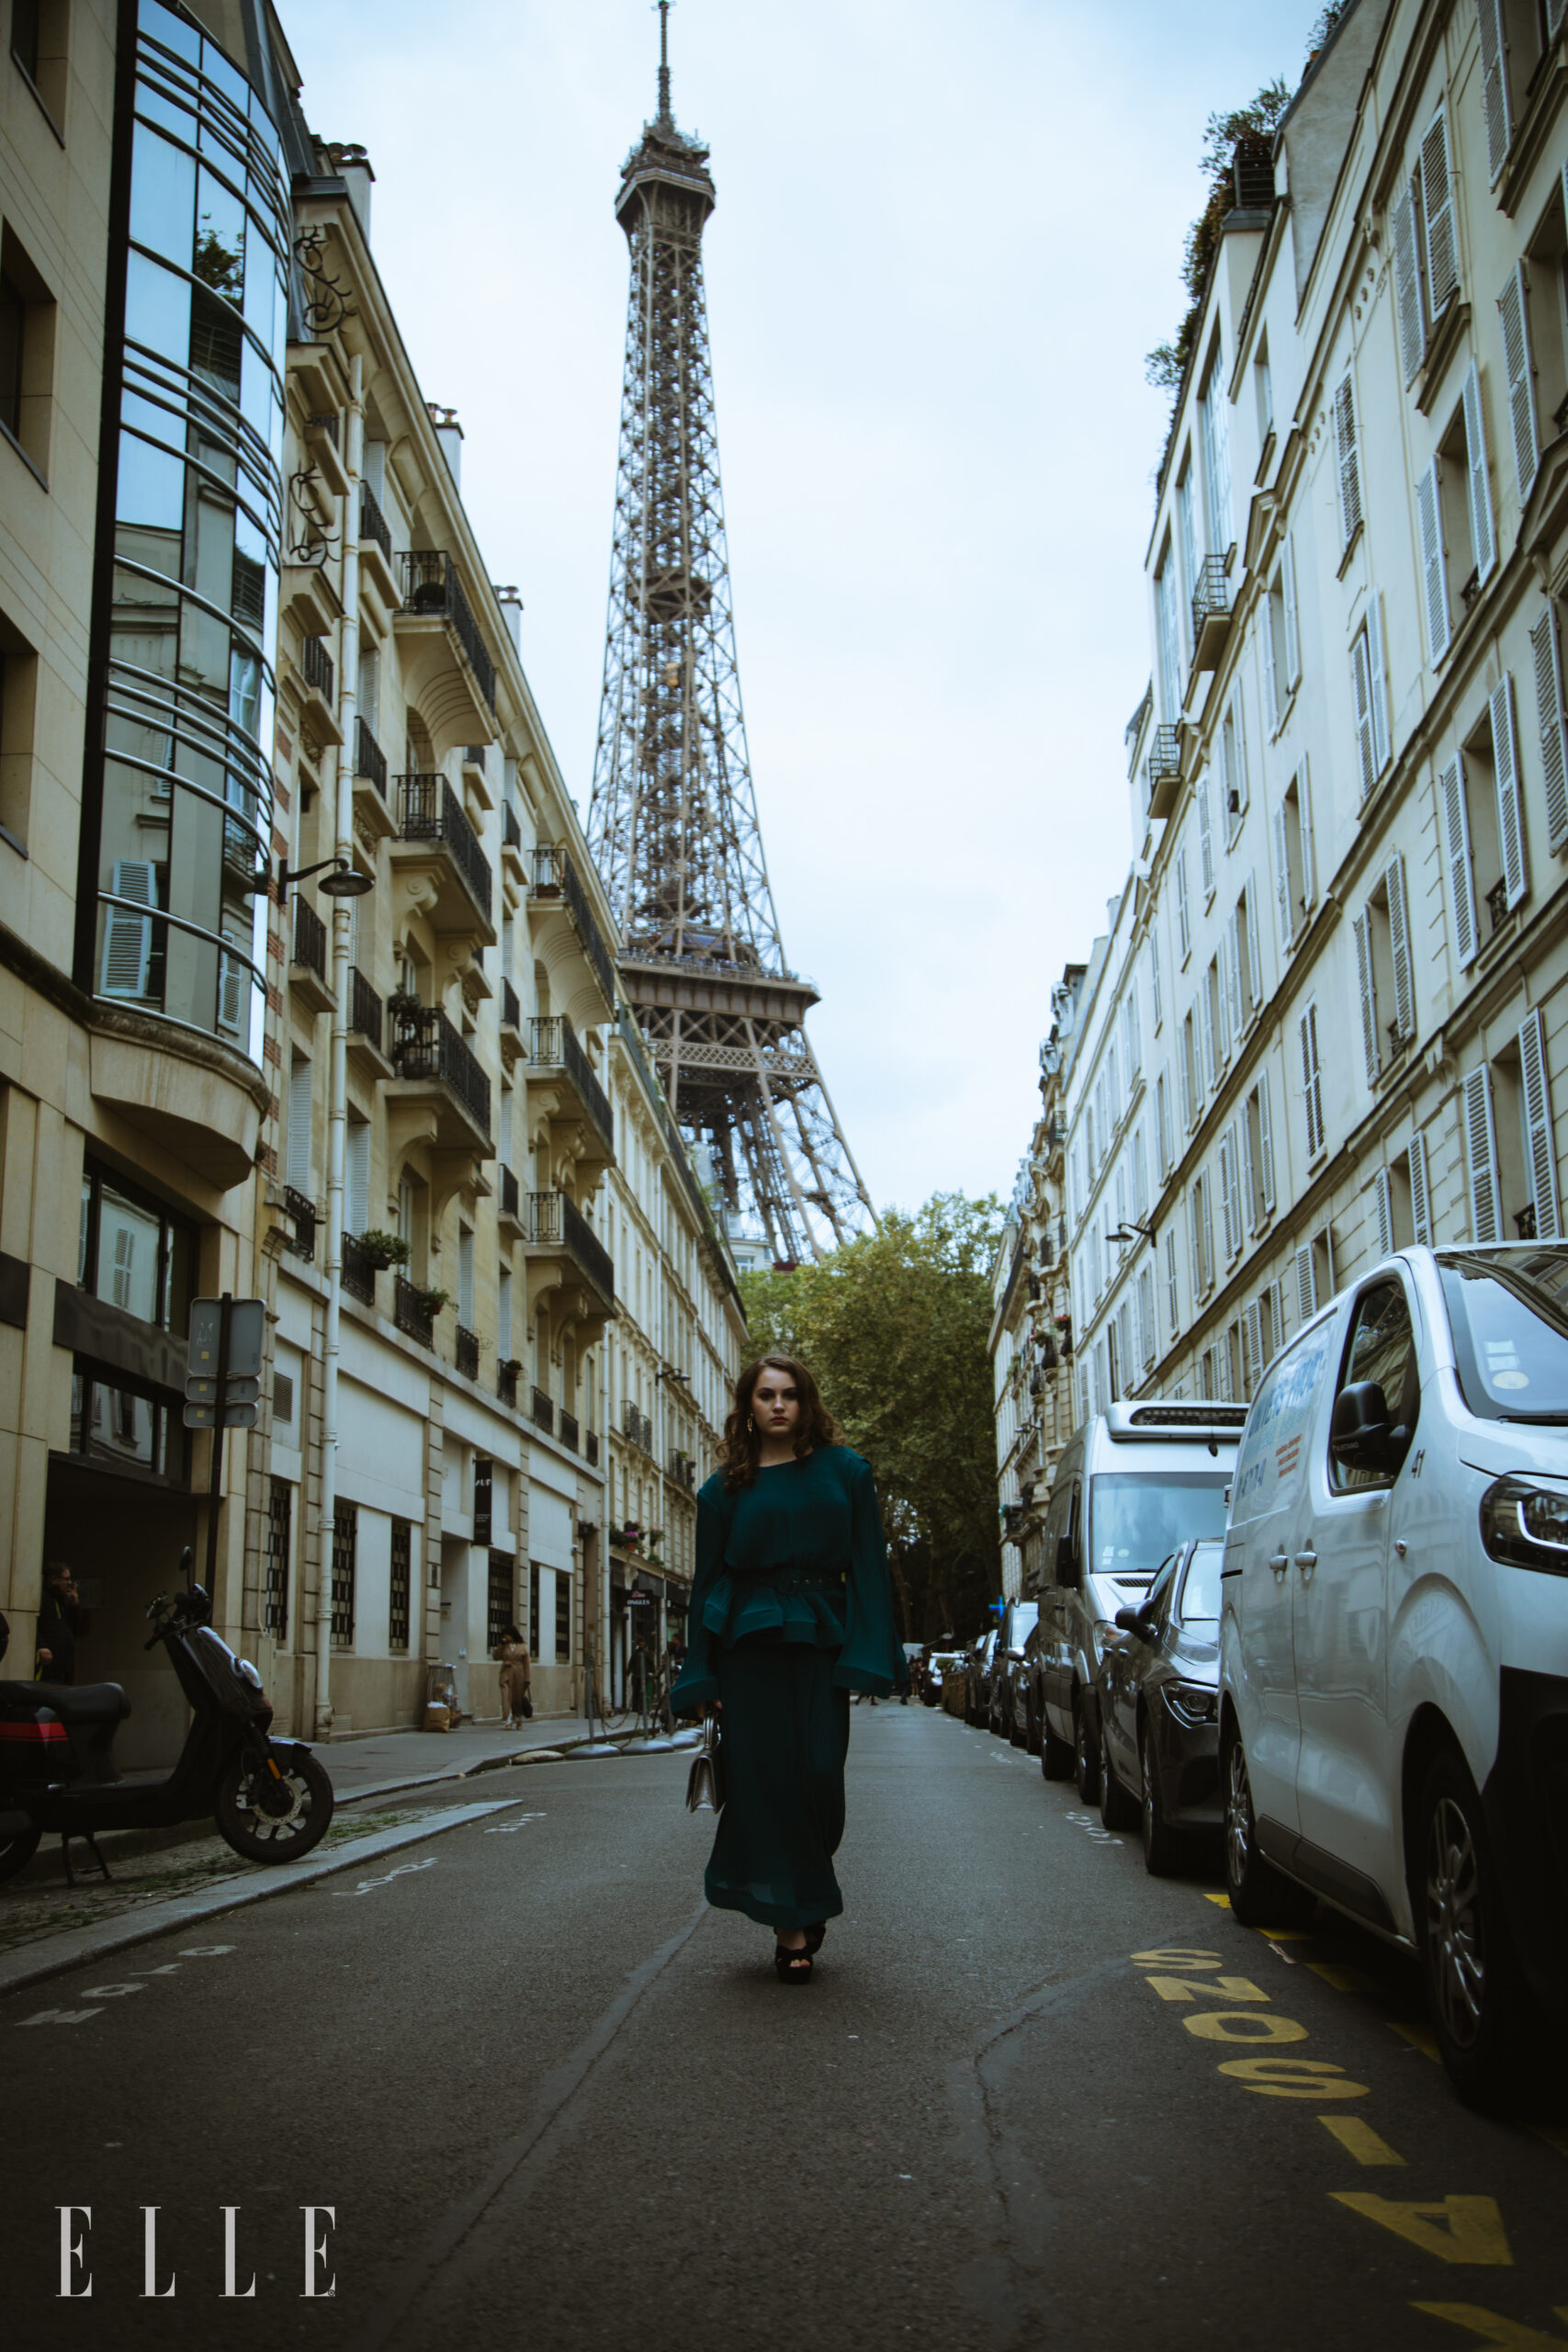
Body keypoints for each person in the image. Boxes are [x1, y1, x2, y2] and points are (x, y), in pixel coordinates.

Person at [671, 1354, 908, 1984]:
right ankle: (791, 1927)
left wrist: (872, 1654)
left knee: (818, 1773)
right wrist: (700, 1676)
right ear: (747, 1406)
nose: (778, 1405)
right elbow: (707, 1584)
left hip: (820, 1640)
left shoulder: (846, 1471)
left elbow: (867, 1569)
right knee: (765, 1783)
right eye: (765, 1395)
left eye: (790, 1395)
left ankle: (799, 1884)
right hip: (746, 1647)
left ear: (807, 1403)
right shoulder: (722, 1489)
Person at [35, 1561, 80, 1684]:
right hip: (49, 1665)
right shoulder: (43, 1599)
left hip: (62, 1665)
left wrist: (74, 1606)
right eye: (66, 1579)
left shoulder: (62, 1602)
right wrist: (41, 1645)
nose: (69, 1583)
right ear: (54, 1580)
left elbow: (74, 1628)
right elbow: (34, 1625)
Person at [494, 1623, 532, 1727]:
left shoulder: (522, 1647)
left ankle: (518, 1718)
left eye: (507, 1635)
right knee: (505, 1697)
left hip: (518, 1674)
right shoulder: (504, 1646)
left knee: (516, 1699)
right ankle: (507, 1720)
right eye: (504, 1635)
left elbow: (526, 1664)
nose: (506, 1637)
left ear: (512, 1635)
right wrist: (501, 1645)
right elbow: (496, 1656)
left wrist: (527, 1679)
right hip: (505, 1673)